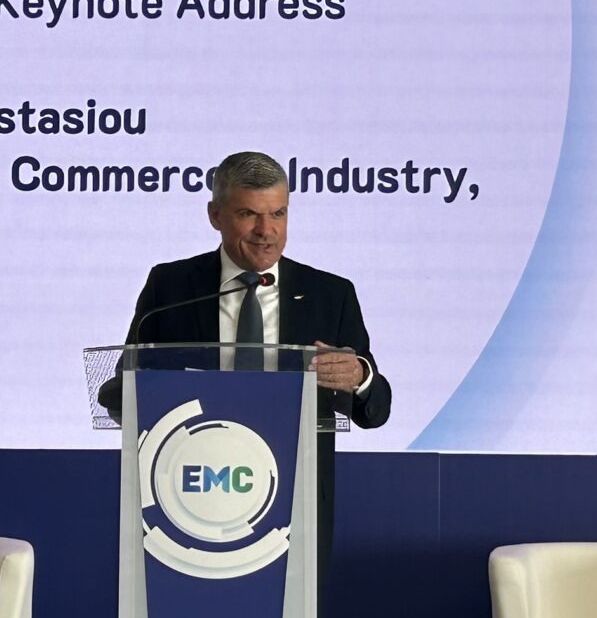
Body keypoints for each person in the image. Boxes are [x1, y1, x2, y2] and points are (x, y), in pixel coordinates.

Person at [119, 149, 392, 565]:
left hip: (294, 501)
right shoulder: (170, 287)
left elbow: (376, 409)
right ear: (215, 215)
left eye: (278, 214)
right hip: (187, 491)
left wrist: (359, 377)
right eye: (249, 214)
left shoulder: (330, 295)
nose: (267, 231)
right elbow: (123, 388)